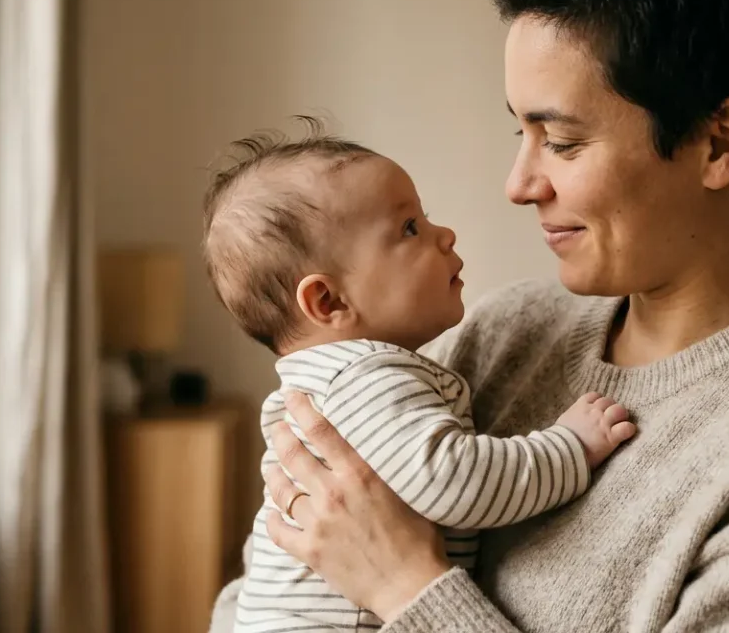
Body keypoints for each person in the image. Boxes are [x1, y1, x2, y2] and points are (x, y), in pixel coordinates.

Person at [213, 0, 729, 630]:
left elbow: (364, 554)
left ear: (720, 143)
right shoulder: (503, 332)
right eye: (519, 131)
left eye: (563, 142)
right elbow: (274, 577)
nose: (520, 185)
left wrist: (406, 589)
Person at [201, 128, 637, 633]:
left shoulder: (333, 381)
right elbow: (456, 481)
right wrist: (570, 448)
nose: (443, 234)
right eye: (409, 227)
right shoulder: (365, 379)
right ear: (329, 302)